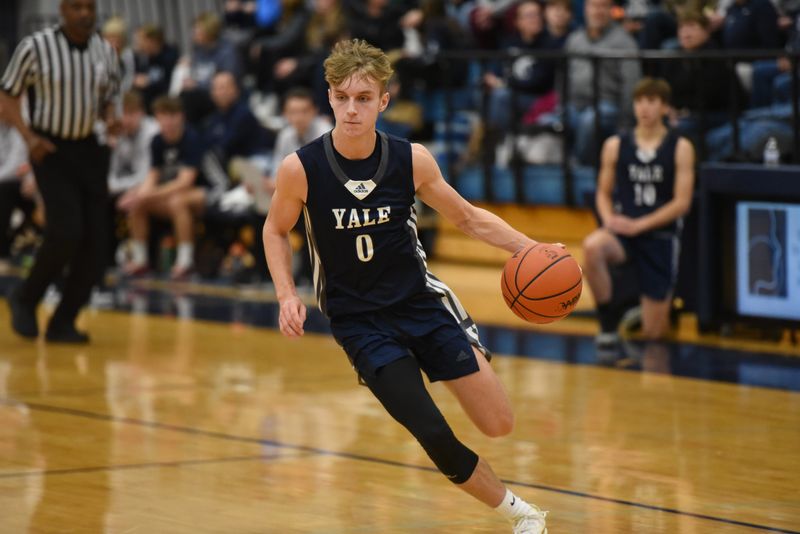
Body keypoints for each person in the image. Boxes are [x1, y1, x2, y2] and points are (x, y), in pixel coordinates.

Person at [263, 39, 549, 534]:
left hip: (422, 304)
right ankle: (521, 515)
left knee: (498, 423)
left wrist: (531, 248)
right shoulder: (301, 168)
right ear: (329, 97)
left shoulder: (410, 159)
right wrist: (287, 294)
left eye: (364, 98)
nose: (352, 109)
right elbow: (273, 230)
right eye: (343, 97)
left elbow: (467, 218)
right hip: (361, 323)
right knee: (430, 428)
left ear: (383, 101)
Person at [1, 0, 120, 343]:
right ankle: (25, 297)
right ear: (62, 11)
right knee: (66, 230)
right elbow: (7, 95)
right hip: (50, 149)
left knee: (99, 245)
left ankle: (63, 321)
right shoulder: (34, 47)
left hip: (91, 150)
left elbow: (108, 98)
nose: (85, 13)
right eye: (76, 7)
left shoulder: (105, 51)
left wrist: (110, 120)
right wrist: (27, 136)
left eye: (89, 7)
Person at [582, 78, 695, 351]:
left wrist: (640, 224)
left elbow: (682, 203)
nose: (645, 108)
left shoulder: (680, 147)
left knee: (654, 334)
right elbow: (603, 193)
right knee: (592, 246)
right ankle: (608, 322)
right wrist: (609, 219)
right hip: (624, 234)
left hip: (660, 236)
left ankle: (646, 311)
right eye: (640, 101)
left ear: (665, 107)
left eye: (652, 101)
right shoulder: (615, 145)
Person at [117, 96, 205, 278]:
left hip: (204, 191)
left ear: (181, 117)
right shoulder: (157, 141)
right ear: (157, 118)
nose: (168, 121)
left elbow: (185, 181)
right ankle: (139, 259)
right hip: (171, 193)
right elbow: (152, 176)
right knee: (138, 203)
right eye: (163, 116)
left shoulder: (191, 138)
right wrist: (138, 195)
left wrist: (147, 195)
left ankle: (185, 261)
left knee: (177, 201)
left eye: (172, 116)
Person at [564, 0, 641, 165]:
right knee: (549, 122)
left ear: (611, 10)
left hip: (608, 106)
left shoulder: (624, 42)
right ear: (585, 9)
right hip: (575, 105)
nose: (598, 11)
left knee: (589, 121)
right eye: (593, 6)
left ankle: (579, 170)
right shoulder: (574, 39)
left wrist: (626, 121)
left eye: (603, 6)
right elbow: (562, 76)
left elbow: (631, 84)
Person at [0, 109, 37, 265]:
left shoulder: (22, 125)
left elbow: (15, 167)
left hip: (28, 185)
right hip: (12, 182)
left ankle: (4, 251)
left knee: (4, 190)